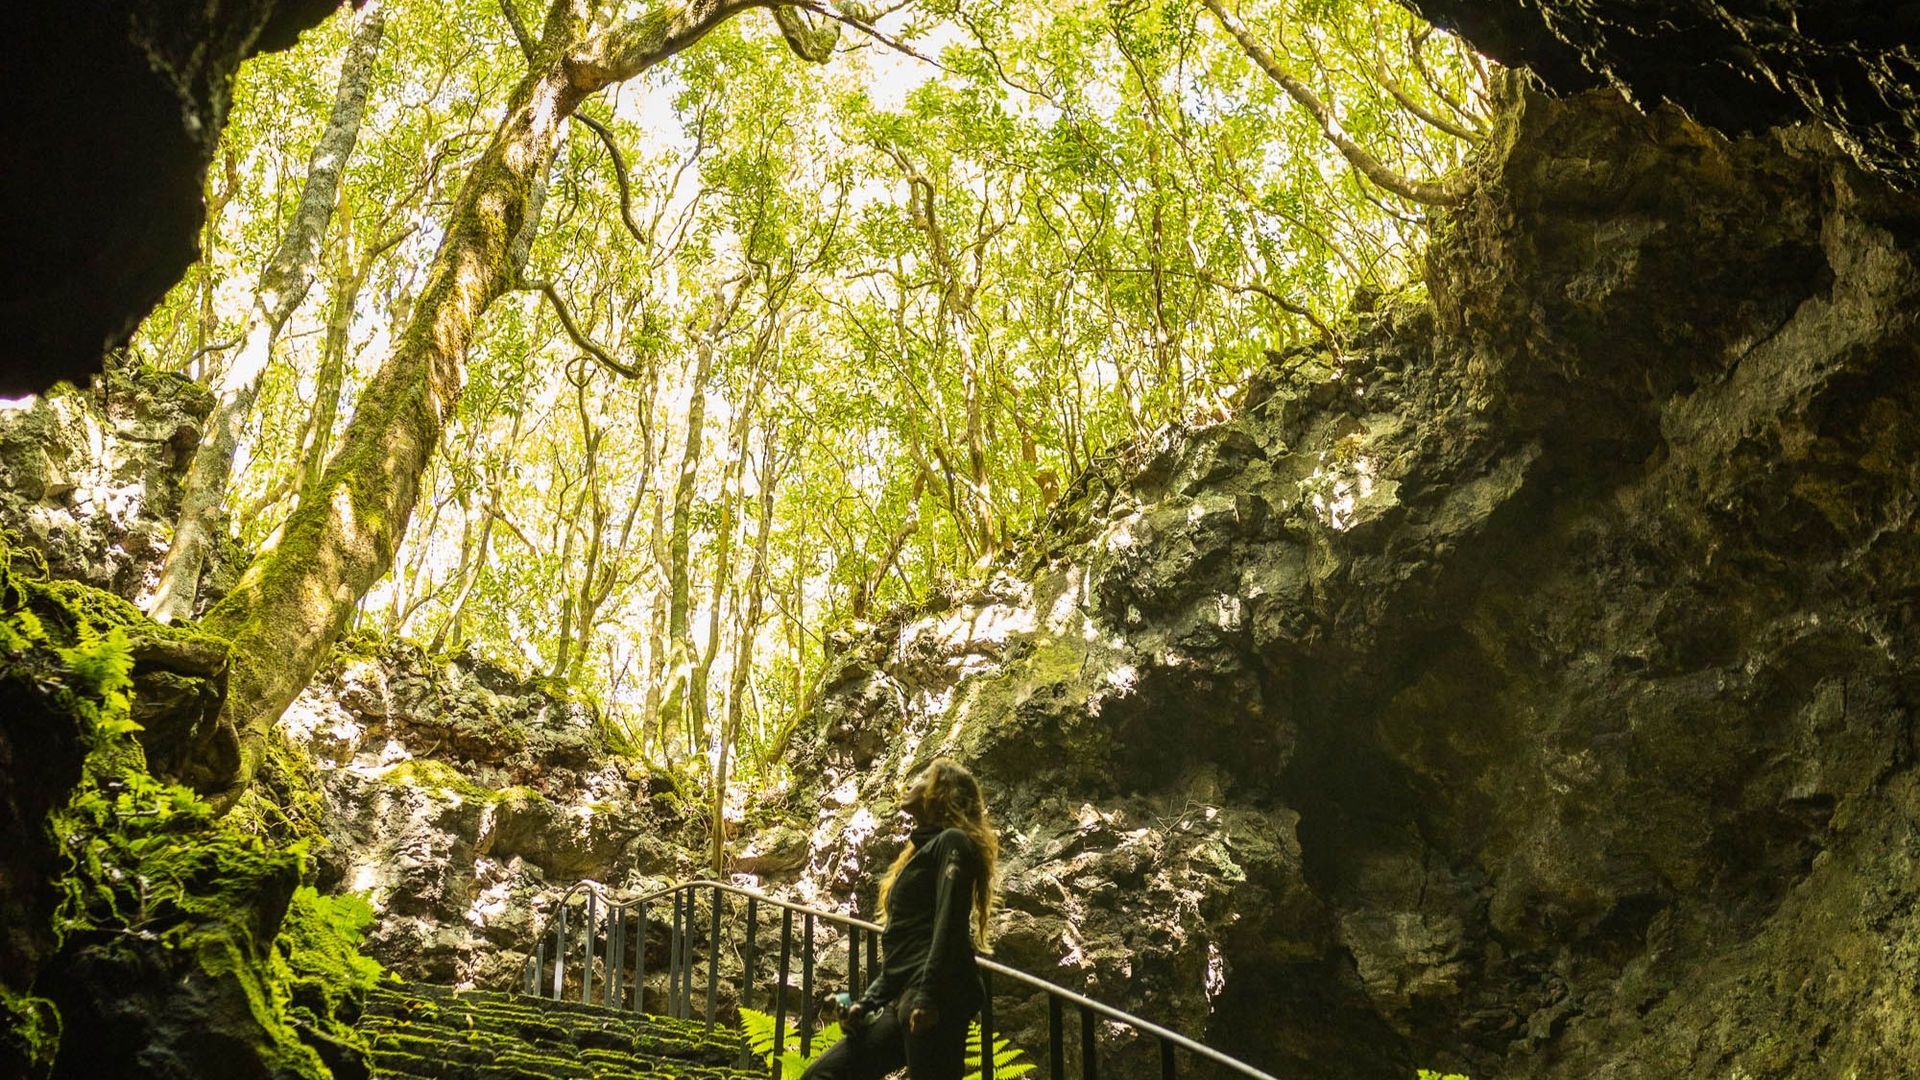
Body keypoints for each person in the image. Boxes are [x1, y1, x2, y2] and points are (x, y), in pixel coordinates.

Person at [802, 758, 999, 1080]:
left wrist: (927, 995)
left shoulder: (952, 842)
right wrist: (866, 1004)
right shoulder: (921, 852)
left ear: (940, 794)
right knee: (822, 1075)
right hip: (906, 994)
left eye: (924, 777)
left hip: (937, 996)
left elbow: (948, 924)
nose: (913, 782)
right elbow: (905, 948)